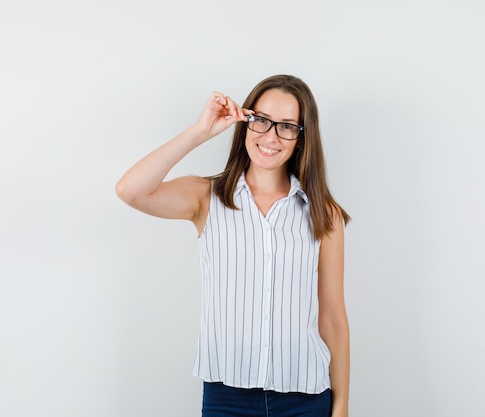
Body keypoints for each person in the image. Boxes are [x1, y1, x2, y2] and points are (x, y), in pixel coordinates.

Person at [115, 74, 350, 417]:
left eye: (287, 126)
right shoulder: (206, 198)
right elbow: (130, 190)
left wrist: (341, 407)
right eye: (262, 121)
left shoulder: (323, 213)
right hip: (228, 400)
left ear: (301, 138)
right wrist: (200, 131)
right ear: (246, 123)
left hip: (306, 398)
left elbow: (332, 319)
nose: (271, 136)